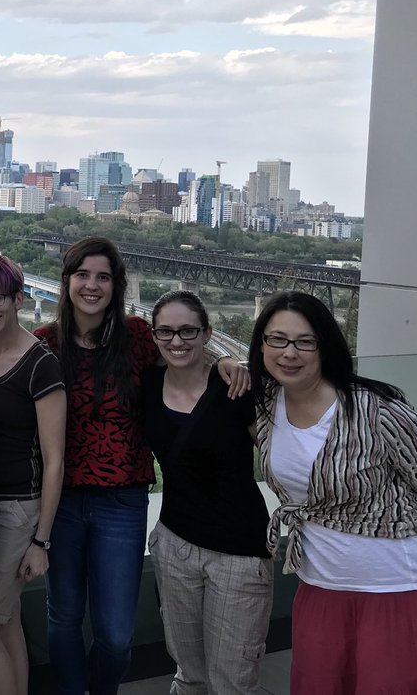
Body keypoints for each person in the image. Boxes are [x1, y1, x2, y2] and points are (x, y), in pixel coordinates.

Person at [34, 236, 246, 695]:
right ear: (67, 281)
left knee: (115, 633)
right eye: (82, 275)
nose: (92, 285)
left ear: (116, 285)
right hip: (60, 500)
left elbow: (185, 354)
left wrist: (226, 360)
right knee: (64, 616)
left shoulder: (138, 337)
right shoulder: (44, 343)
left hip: (122, 500)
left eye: (103, 277)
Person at [249, 291, 417, 693]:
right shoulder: (267, 403)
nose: (290, 352)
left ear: (325, 345)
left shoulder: (378, 409)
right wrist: (227, 367)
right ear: (262, 345)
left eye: (305, 341)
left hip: (396, 583)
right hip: (321, 580)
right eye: (277, 339)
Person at [141, 290, 271, 695]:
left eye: (187, 331)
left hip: (240, 551)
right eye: (166, 331)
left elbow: (275, 460)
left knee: (232, 680)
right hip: (176, 544)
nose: (177, 341)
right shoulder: (146, 385)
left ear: (207, 333)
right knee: (190, 674)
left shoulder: (236, 389)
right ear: (155, 335)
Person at [0, 255, 65, 695]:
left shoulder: (41, 364)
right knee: (4, 623)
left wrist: (41, 541)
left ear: (19, 299)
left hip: (18, 510)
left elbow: (55, 459)